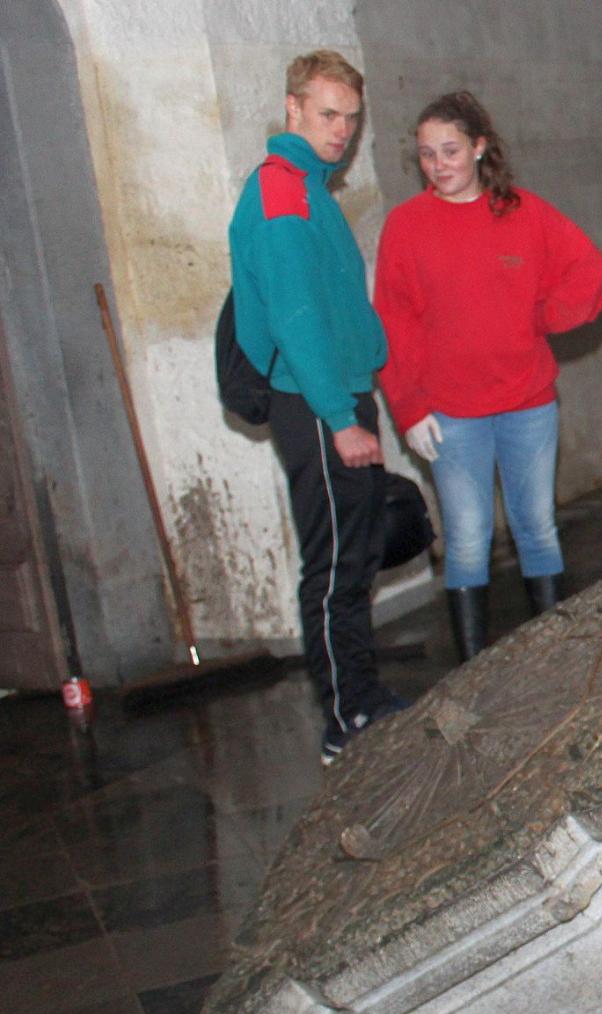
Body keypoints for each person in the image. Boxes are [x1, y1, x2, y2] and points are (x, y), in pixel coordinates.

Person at [374, 92, 602, 662]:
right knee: (466, 539)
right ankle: (473, 671)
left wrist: (545, 316)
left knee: (537, 529)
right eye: (427, 154)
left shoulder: (524, 213)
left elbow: (592, 272)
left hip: (527, 404)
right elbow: (393, 322)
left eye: (450, 150)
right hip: (450, 414)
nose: (438, 165)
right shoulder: (406, 227)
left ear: (480, 147)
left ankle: (555, 658)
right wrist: (409, 408)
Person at [228, 50, 403, 762]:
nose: (341, 131)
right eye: (328, 115)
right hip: (313, 402)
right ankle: (344, 718)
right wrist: (339, 419)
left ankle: (362, 698)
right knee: (334, 566)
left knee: (353, 558)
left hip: (335, 393)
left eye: (351, 119)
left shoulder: (309, 188)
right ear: (292, 108)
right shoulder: (282, 193)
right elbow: (296, 319)